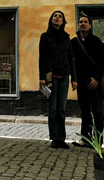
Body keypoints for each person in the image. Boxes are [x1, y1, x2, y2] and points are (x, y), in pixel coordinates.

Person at [38, 9, 75, 149]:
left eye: (60, 16)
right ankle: (54, 138)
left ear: (63, 21)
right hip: (51, 78)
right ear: (51, 19)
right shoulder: (45, 37)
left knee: (62, 109)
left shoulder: (67, 38)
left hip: (64, 77)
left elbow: (71, 60)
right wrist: (42, 77)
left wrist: (74, 78)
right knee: (53, 108)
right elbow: (42, 59)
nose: (57, 18)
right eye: (55, 16)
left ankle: (62, 138)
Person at [70, 13, 104, 147]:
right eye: (81, 22)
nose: (83, 24)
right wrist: (73, 79)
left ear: (90, 26)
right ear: (78, 25)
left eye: (85, 22)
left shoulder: (97, 41)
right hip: (80, 82)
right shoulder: (73, 42)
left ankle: (98, 141)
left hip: (94, 82)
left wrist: (96, 78)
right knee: (85, 111)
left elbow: (102, 62)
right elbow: (71, 63)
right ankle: (85, 138)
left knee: (97, 112)